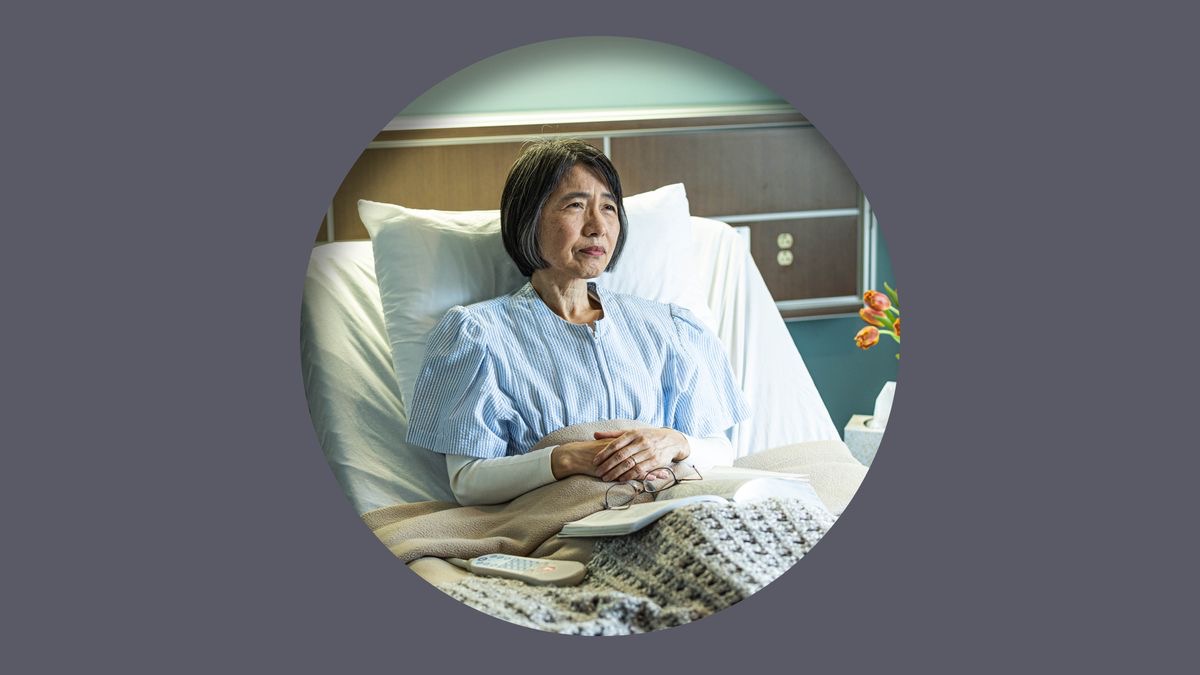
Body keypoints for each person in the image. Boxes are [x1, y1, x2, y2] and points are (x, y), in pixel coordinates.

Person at [406, 139, 750, 505]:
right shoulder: (479, 336)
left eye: (609, 207)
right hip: (565, 523)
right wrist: (566, 458)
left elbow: (720, 451)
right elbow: (468, 481)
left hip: (670, 506)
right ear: (529, 218)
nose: (598, 226)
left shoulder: (669, 328)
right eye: (575, 205)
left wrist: (676, 443)